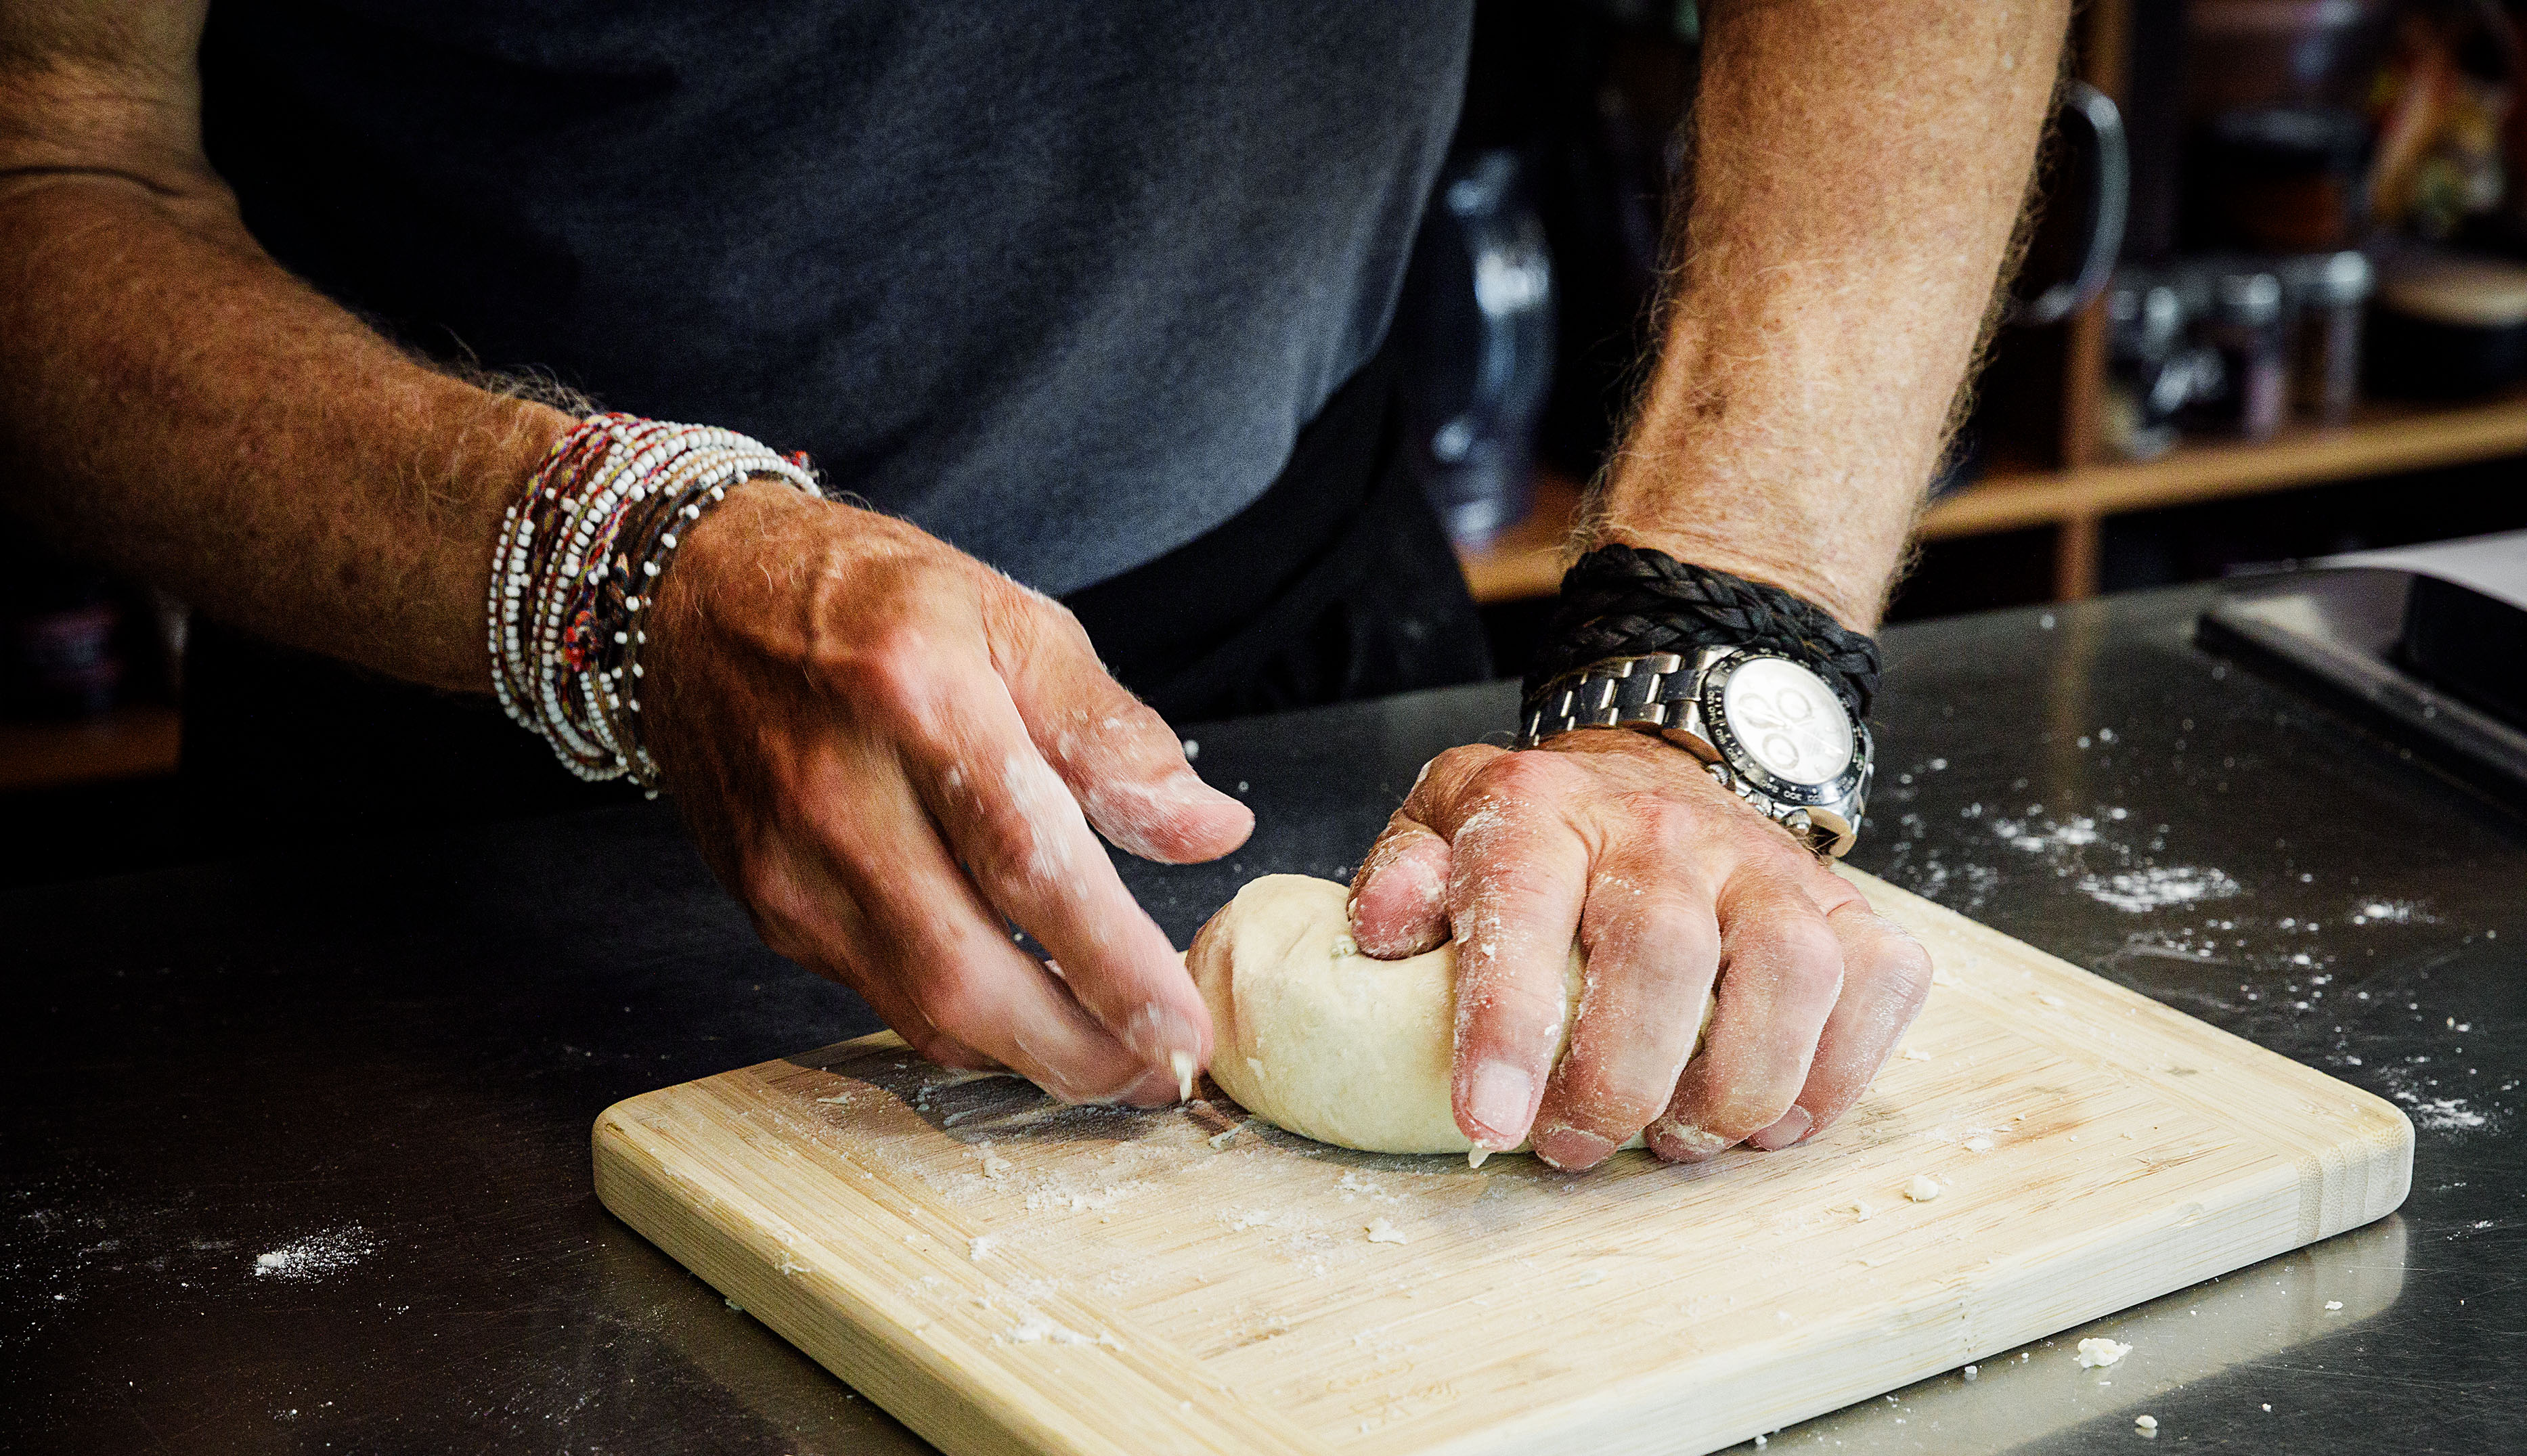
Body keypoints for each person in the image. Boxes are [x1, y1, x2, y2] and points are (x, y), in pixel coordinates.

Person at [0, 0, 2067, 1170]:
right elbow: (48, 164)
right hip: (458, 751)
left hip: (1315, 670)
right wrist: (607, 562)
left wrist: (1721, 648)